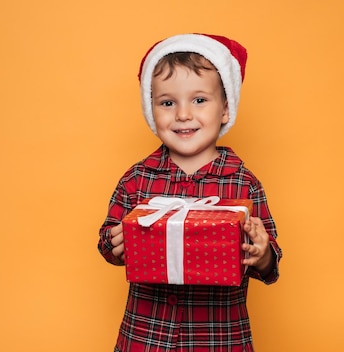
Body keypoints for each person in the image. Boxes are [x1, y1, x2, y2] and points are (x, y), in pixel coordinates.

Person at [97, 33, 283, 352]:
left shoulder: (244, 183)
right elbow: (105, 241)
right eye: (168, 102)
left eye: (199, 100)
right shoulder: (136, 179)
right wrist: (114, 243)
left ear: (225, 109)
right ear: (151, 111)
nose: (183, 114)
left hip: (219, 340)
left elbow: (271, 263)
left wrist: (262, 253)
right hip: (146, 338)